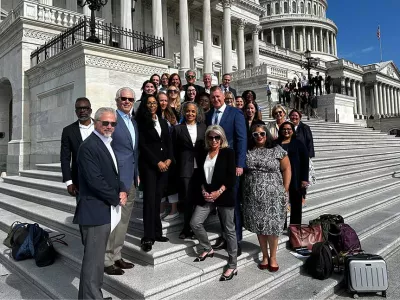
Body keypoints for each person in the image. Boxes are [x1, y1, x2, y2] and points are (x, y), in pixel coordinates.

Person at [73, 107, 128, 300]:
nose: (109, 126)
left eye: (113, 123)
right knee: (93, 262)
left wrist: (122, 189)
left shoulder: (106, 143)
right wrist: (115, 198)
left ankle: (91, 296)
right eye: (105, 123)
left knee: (95, 262)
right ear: (96, 122)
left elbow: (113, 173)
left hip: (103, 208)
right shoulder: (89, 146)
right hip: (94, 211)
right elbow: (94, 180)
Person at [190, 125, 238, 281]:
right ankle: (207, 248)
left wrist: (219, 191)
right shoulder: (203, 153)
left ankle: (232, 264)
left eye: (217, 137)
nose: (214, 140)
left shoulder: (228, 153)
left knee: (229, 230)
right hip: (208, 195)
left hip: (223, 195)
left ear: (222, 138)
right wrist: (204, 189)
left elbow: (232, 177)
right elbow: (199, 176)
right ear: (207, 138)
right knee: (195, 222)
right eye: (211, 137)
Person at [242, 124, 291, 272]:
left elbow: (287, 168)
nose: (259, 137)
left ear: (267, 134)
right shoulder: (248, 151)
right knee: (260, 226)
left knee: (273, 227)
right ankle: (264, 255)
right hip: (253, 195)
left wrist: (285, 188)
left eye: (262, 134)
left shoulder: (276, 150)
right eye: (255, 134)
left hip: (273, 195)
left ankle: (273, 257)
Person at [205, 86, 247, 255]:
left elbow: (241, 139)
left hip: (231, 166)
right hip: (215, 166)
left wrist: (240, 164)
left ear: (223, 96)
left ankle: (236, 240)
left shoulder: (235, 113)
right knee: (221, 203)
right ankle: (224, 235)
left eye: (217, 96)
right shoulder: (209, 115)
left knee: (232, 203)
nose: (215, 99)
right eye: (212, 97)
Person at [104, 88, 139, 276]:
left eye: (130, 99)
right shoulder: (112, 120)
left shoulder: (133, 121)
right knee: (113, 221)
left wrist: (136, 173)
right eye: (123, 98)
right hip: (116, 180)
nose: (127, 101)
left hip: (130, 179)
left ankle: (117, 255)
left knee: (123, 221)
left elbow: (134, 151)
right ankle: (107, 259)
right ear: (117, 100)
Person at [135, 95, 173, 252]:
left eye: (154, 103)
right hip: (150, 167)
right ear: (145, 105)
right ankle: (148, 236)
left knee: (158, 200)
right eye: (149, 103)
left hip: (164, 166)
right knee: (149, 201)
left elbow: (168, 142)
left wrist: (169, 159)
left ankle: (157, 233)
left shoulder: (162, 121)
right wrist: (157, 162)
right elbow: (143, 146)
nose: (152, 105)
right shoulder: (141, 122)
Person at [172, 102, 206, 239]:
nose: (190, 114)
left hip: (201, 169)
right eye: (188, 111)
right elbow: (173, 150)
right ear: (183, 113)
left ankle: (197, 227)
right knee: (187, 199)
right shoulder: (177, 129)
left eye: (193, 111)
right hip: (185, 168)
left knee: (199, 198)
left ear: (197, 113)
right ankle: (186, 228)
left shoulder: (203, 128)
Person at [60, 97, 94, 199]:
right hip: (79, 181)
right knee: (82, 212)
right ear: (75, 111)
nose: (82, 111)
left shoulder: (100, 126)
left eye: (85, 108)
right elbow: (65, 158)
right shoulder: (68, 131)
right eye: (79, 108)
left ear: (90, 110)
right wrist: (69, 182)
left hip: (101, 178)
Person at [278, 122, 309, 225]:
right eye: (284, 129)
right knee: (281, 201)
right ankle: (282, 225)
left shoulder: (298, 143)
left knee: (296, 203)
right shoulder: (276, 143)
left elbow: (305, 162)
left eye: (289, 129)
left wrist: (304, 179)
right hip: (280, 176)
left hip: (296, 176)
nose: (286, 131)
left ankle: (295, 227)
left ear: (292, 130)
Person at [157, 92, 180, 221]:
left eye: (166, 100)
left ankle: (173, 209)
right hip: (158, 153)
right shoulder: (152, 115)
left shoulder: (172, 115)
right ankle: (161, 209)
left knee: (171, 182)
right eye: (161, 100)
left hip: (171, 152)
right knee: (160, 182)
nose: (164, 103)